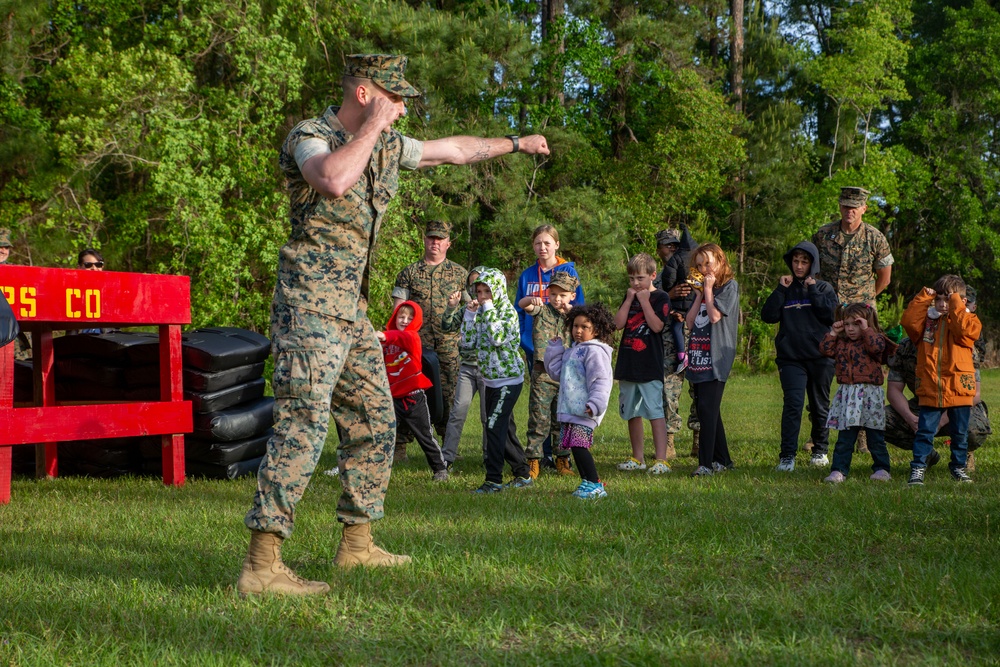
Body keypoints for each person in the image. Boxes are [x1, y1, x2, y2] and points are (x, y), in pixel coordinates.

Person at [239, 53, 550, 596]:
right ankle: (261, 566)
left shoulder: (386, 144)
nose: (403, 110)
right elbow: (332, 180)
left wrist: (516, 142)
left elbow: (453, 150)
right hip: (310, 306)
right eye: (395, 98)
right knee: (303, 425)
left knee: (378, 419)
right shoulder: (310, 136)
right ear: (365, 93)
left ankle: (357, 546)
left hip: (352, 310)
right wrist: (377, 125)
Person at [812, 186, 893, 455]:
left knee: (865, 371)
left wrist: (865, 302)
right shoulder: (823, 235)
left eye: (855, 207)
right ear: (840, 206)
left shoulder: (875, 237)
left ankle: (863, 435)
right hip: (829, 314)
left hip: (862, 317)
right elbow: (811, 269)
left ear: (864, 209)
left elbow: (885, 277)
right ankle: (818, 433)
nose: (849, 211)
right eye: (845, 205)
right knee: (823, 372)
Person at [760, 241, 838, 471]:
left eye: (804, 262)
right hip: (791, 358)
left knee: (819, 405)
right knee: (793, 405)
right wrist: (780, 290)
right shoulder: (785, 288)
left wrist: (812, 289)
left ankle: (820, 451)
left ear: (813, 264)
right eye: (796, 261)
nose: (799, 266)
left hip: (821, 357)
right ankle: (787, 457)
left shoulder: (824, 289)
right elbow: (768, 316)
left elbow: (830, 316)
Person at [392, 220, 469, 444]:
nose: (435, 242)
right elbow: (398, 309)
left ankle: (448, 444)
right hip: (415, 346)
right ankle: (400, 445)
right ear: (425, 240)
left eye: (440, 239)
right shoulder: (409, 273)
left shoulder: (459, 274)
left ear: (448, 243)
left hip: (449, 346)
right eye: (431, 238)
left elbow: (471, 308)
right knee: (409, 392)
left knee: (449, 395)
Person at [901, 276, 982, 486]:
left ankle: (958, 467)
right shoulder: (926, 322)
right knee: (925, 432)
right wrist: (923, 297)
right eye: (939, 299)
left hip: (959, 388)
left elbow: (964, 331)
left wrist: (956, 301)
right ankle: (918, 467)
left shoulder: (969, 320)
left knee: (960, 433)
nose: (943, 303)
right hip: (931, 387)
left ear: (961, 301)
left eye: (948, 299)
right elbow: (908, 322)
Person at [461, 268, 533, 493]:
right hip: (490, 380)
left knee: (493, 426)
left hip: (509, 380)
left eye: (487, 292)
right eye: (479, 291)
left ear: (499, 291)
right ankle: (523, 474)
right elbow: (466, 345)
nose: (481, 297)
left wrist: (489, 307)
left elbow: (498, 337)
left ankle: (493, 480)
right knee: (504, 429)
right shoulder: (482, 312)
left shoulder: (507, 313)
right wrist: (470, 316)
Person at [544, 303, 615, 499]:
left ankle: (594, 484)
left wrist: (595, 404)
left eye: (584, 327)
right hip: (572, 409)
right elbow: (557, 373)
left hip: (586, 409)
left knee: (580, 446)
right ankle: (587, 482)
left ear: (596, 329)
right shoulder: (573, 350)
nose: (578, 330)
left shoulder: (595, 351)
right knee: (575, 446)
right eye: (575, 326)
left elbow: (601, 379)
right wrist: (554, 348)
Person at [819, 303, 894, 483]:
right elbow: (824, 349)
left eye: (856, 324)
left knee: (875, 436)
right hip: (848, 395)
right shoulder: (841, 343)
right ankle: (839, 470)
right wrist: (834, 332)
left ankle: (882, 469)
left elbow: (877, 348)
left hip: (870, 395)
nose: (851, 329)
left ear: (866, 323)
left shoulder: (875, 339)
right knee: (846, 437)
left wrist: (867, 330)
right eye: (847, 324)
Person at [614, 253, 672, 475]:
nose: (635, 283)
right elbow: (617, 324)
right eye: (631, 279)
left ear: (653, 276)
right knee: (631, 412)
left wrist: (645, 302)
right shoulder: (629, 297)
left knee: (655, 411)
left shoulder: (661, 298)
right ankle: (637, 458)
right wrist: (629, 300)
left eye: (640, 278)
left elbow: (657, 326)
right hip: (628, 364)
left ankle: (661, 459)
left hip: (649, 366)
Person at [377, 300, 448, 481]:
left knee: (425, 435)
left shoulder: (412, 338)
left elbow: (400, 337)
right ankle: (374, 471)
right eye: (401, 316)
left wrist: (383, 335)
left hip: (413, 398)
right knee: (381, 435)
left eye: (410, 317)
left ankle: (440, 469)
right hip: (392, 399)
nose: (405, 320)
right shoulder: (386, 345)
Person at [685, 243, 740, 477]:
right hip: (698, 355)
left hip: (716, 357)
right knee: (708, 410)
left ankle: (705, 464)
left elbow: (716, 316)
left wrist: (708, 290)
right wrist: (699, 294)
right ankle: (723, 459)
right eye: (699, 265)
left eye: (707, 263)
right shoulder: (703, 289)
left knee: (707, 409)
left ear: (720, 261)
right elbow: (689, 322)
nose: (703, 268)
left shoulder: (729, 286)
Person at [517, 269, 578, 478]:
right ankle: (533, 460)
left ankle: (563, 459)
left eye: (562, 295)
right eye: (553, 294)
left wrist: (572, 312)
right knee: (538, 419)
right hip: (542, 375)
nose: (557, 299)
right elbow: (523, 305)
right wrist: (531, 298)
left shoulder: (575, 317)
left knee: (562, 420)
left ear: (572, 296)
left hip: (566, 377)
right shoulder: (542, 310)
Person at [514, 224, 584, 366]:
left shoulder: (568, 272)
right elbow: (518, 310)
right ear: (533, 246)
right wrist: (523, 338)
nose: (542, 247)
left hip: (564, 346)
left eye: (547, 243)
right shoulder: (527, 275)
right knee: (537, 387)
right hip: (533, 346)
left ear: (557, 245)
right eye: (538, 243)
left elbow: (580, 308)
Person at [655, 224, 696, 373]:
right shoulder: (653, 278)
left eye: (675, 245)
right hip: (668, 344)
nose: (672, 248)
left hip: (695, 341)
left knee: (699, 391)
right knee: (668, 393)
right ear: (658, 250)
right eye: (668, 245)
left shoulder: (695, 272)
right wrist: (668, 296)